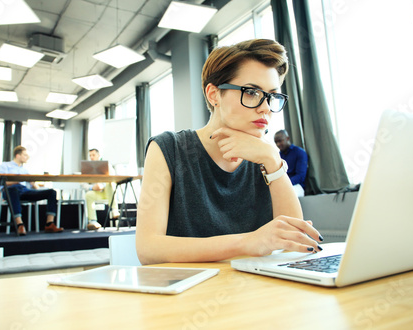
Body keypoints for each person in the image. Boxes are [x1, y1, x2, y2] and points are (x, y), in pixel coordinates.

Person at [136, 39, 323, 265]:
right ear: (214, 95)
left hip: (253, 291)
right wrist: (247, 242)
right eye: (252, 92)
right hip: (187, 293)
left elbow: (294, 241)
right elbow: (148, 249)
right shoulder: (169, 148)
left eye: (272, 96)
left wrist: (273, 160)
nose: (265, 107)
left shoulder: (265, 155)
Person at [0, 146, 63, 236]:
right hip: (10, 191)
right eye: (25, 155)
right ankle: (19, 224)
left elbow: (32, 184)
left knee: (51, 192)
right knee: (14, 189)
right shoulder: (5, 166)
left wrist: (37, 189)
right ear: (17, 155)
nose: (27, 157)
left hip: (24, 190)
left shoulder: (25, 170)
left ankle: (49, 224)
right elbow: (2, 182)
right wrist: (19, 179)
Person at [84, 148, 119, 230]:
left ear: (98, 155)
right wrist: (92, 187)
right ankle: (92, 221)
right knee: (88, 195)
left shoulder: (107, 165)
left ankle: (114, 210)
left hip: (107, 191)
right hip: (96, 193)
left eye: (93, 155)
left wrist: (102, 185)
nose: (92, 157)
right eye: (90, 156)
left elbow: (113, 178)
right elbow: (83, 183)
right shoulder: (87, 168)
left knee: (110, 184)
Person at [274, 130, 308, 197]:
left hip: (297, 186)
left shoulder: (299, 152)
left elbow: (300, 176)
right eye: (276, 142)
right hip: (283, 185)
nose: (278, 144)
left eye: (280, 141)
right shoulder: (278, 156)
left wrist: (285, 184)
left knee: (286, 194)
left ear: (287, 138)